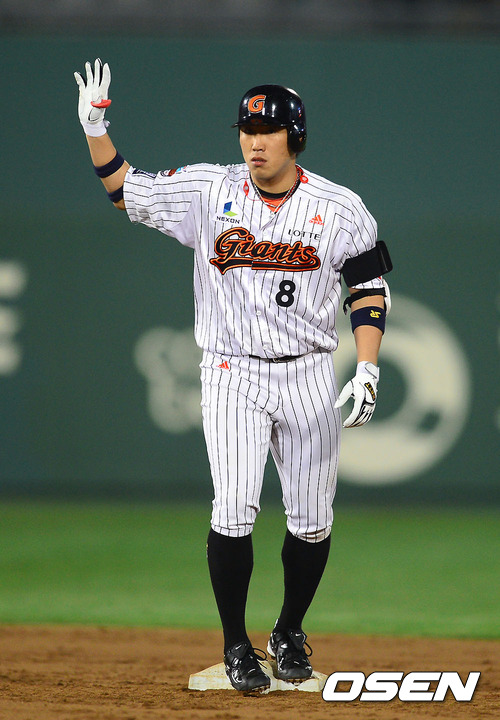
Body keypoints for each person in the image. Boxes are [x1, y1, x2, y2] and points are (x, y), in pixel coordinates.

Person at [74, 59, 392, 693]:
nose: (254, 141)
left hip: (308, 372)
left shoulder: (340, 208)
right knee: (235, 506)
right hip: (230, 370)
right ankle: (235, 644)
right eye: (247, 129)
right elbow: (126, 190)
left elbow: (367, 288)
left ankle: (289, 630)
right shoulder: (207, 190)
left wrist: (367, 366)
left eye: (268, 130)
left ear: (294, 138)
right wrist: (95, 129)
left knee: (312, 518)